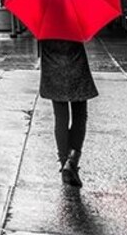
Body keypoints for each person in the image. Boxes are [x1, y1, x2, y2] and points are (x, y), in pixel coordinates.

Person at [38, 38, 98, 186]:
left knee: (61, 118)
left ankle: (64, 161)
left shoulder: (44, 21)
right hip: (76, 65)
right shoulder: (75, 18)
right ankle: (72, 160)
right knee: (80, 116)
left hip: (53, 69)